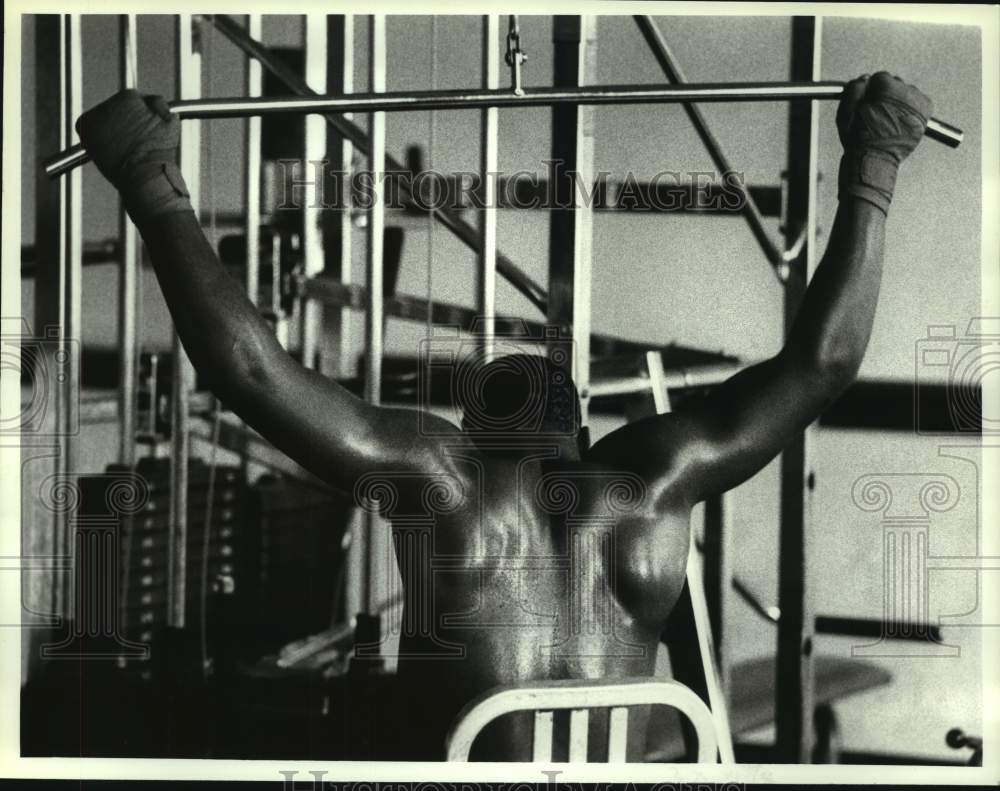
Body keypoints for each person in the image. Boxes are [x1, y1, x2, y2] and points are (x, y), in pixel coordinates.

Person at [75, 72, 932, 761]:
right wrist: (875, 166)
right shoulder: (651, 480)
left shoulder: (445, 481)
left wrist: (153, 183)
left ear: (477, 433)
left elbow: (253, 371)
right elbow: (825, 363)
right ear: (584, 431)